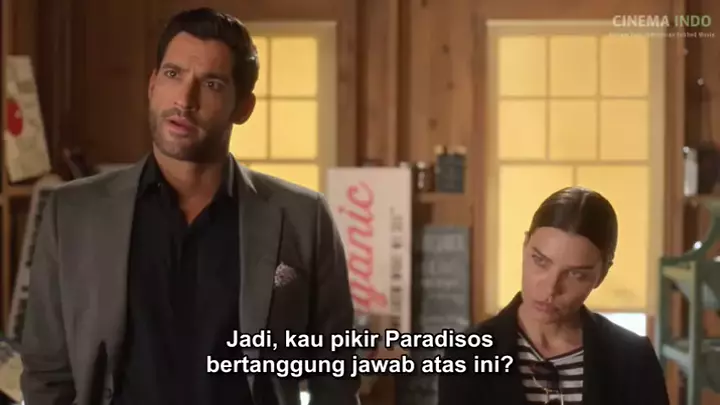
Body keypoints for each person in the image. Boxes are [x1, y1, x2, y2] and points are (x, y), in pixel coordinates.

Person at [20, 8, 359, 405]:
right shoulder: (73, 213)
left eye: (211, 83)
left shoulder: (303, 217)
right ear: (152, 85)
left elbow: (336, 374)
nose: (184, 100)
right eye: (173, 74)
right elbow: (47, 375)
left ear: (243, 107)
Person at [438, 187, 669, 405]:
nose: (550, 289)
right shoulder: (467, 354)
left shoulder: (633, 359)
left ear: (602, 274)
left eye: (576, 274)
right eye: (540, 261)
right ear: (525, 246)